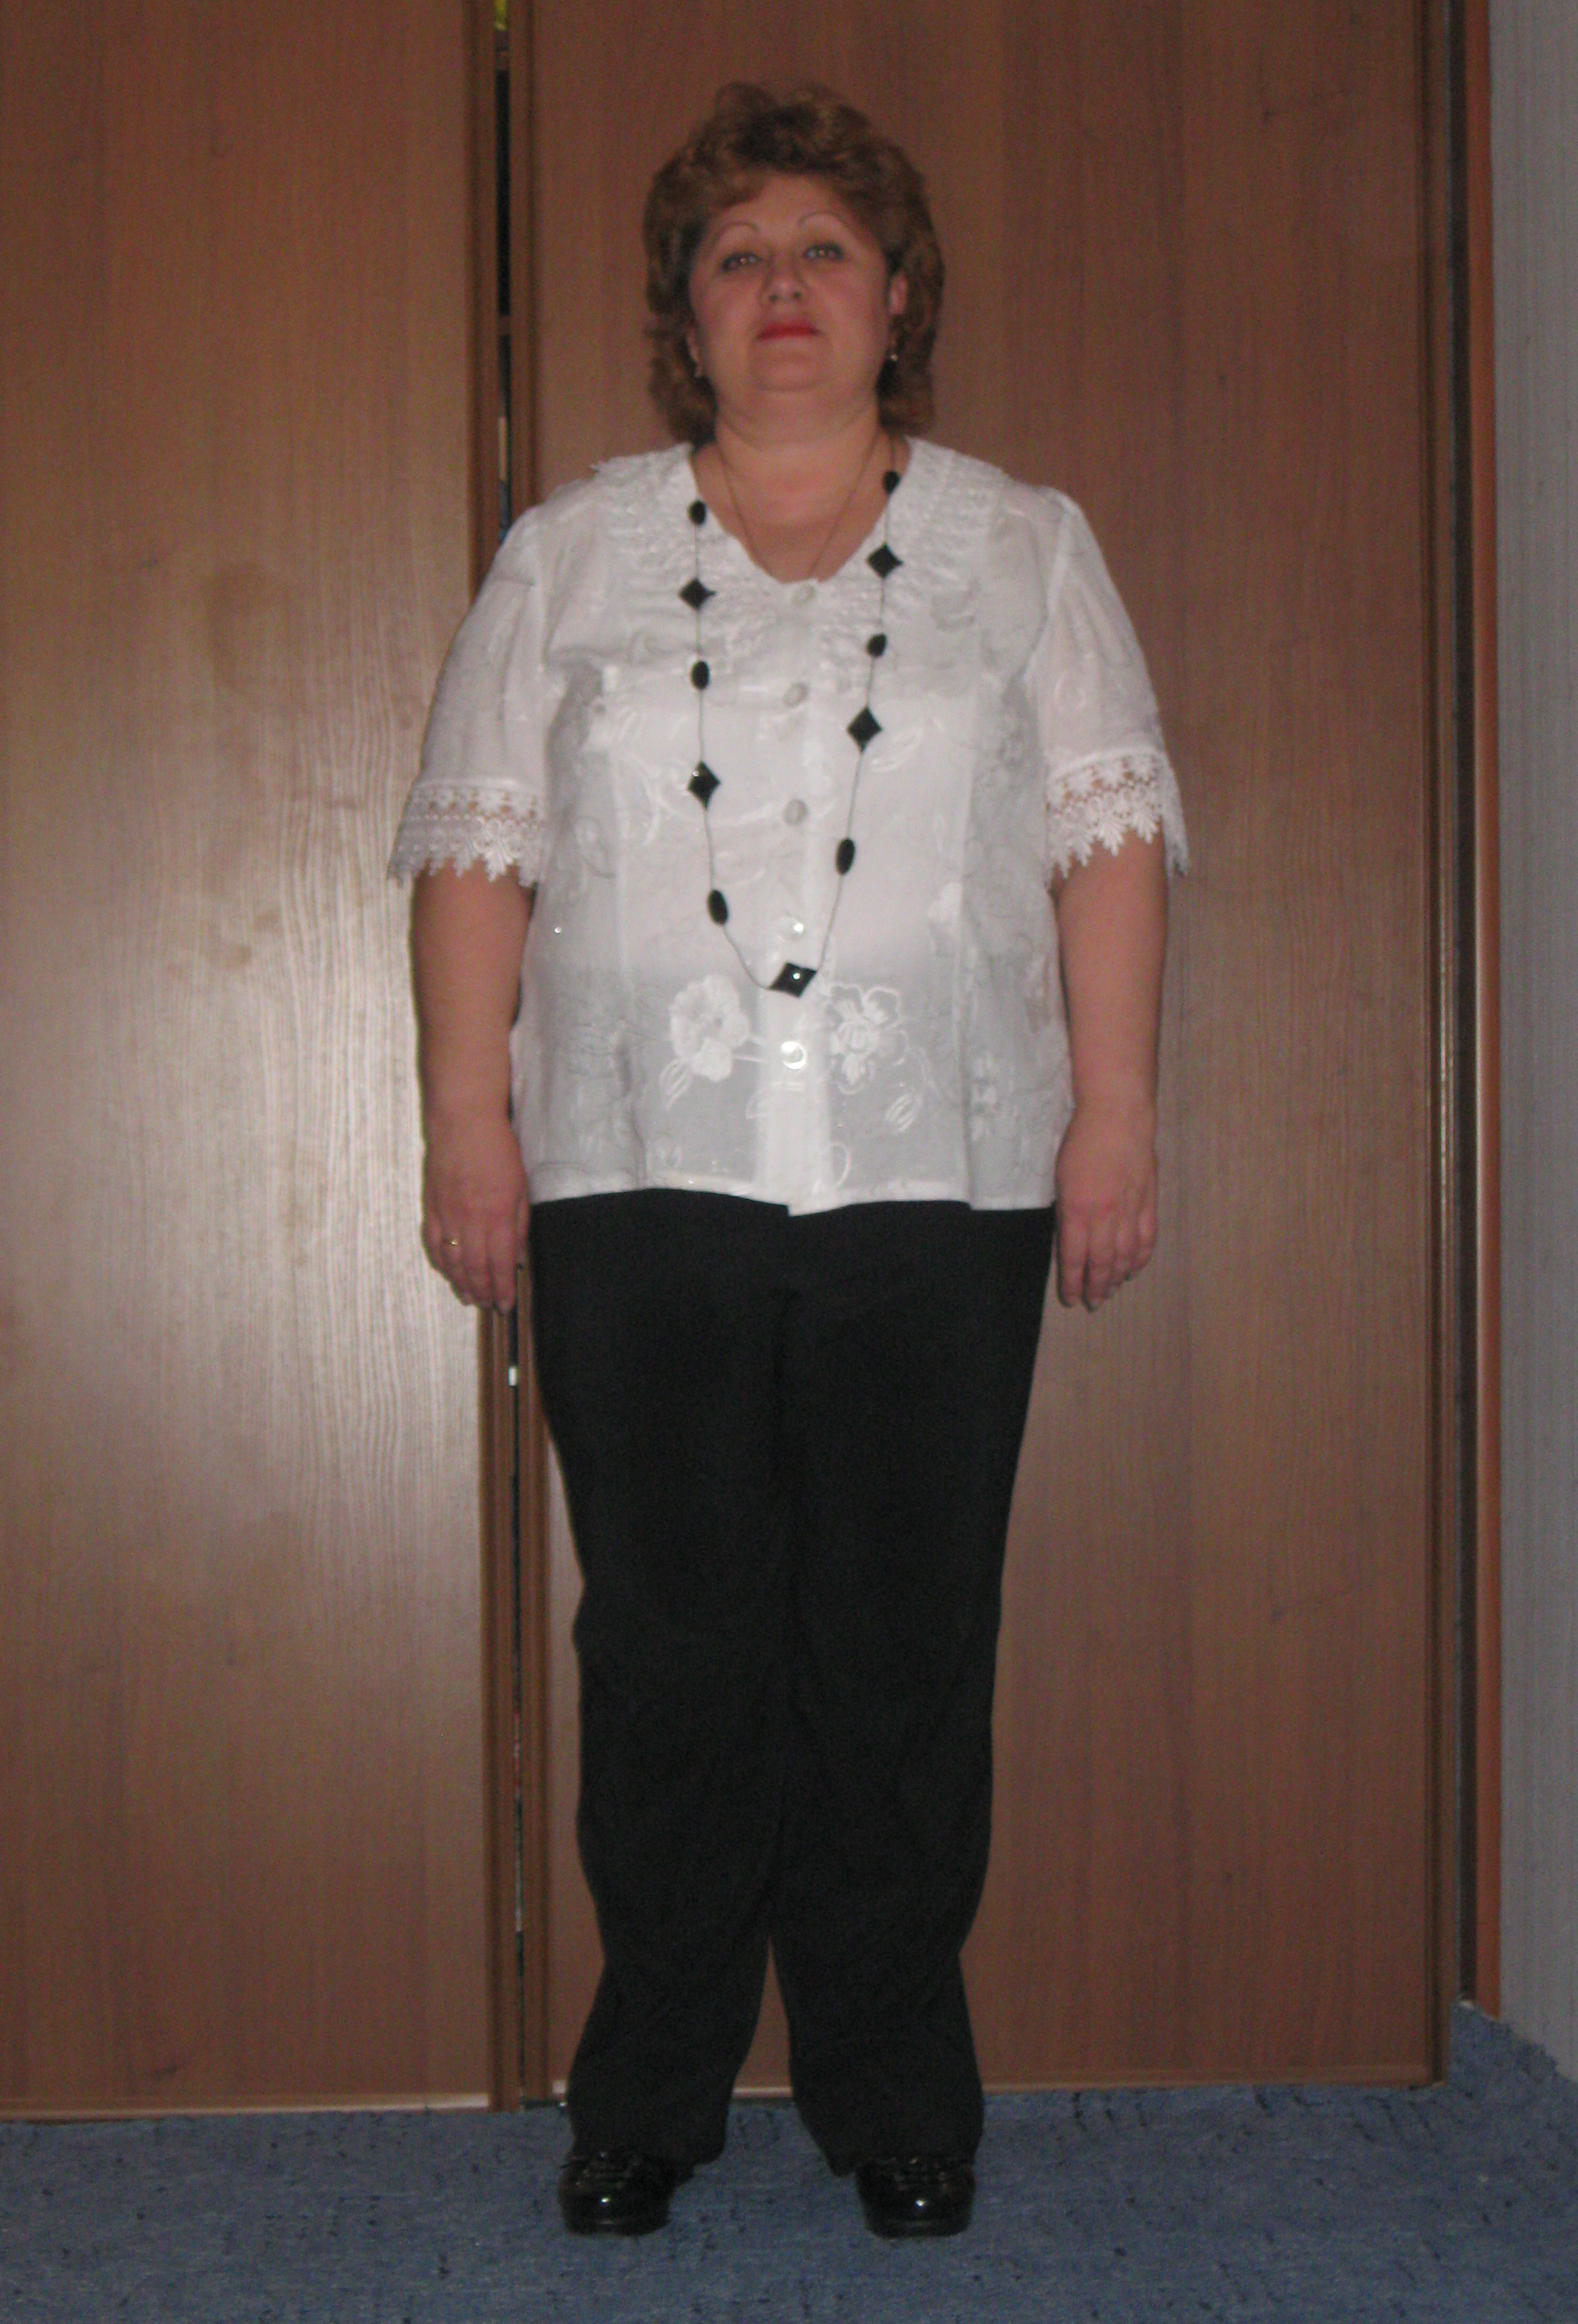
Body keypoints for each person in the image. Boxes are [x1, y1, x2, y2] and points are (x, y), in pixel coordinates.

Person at [390, 83, 1186, 2241]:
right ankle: (648, 2089)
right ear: (688, 315)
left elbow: (1107, 834)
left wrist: (1114, 1109)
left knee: (903, 1648)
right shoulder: (571, 554)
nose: (784, 288)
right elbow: (478, 845)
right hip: (640, 1162)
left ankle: (895, 2088)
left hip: (948, 1171)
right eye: (737, 256)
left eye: (825, 247)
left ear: (899, 294)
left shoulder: (1025, 545)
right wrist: (470, 1122)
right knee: (671, 1647)